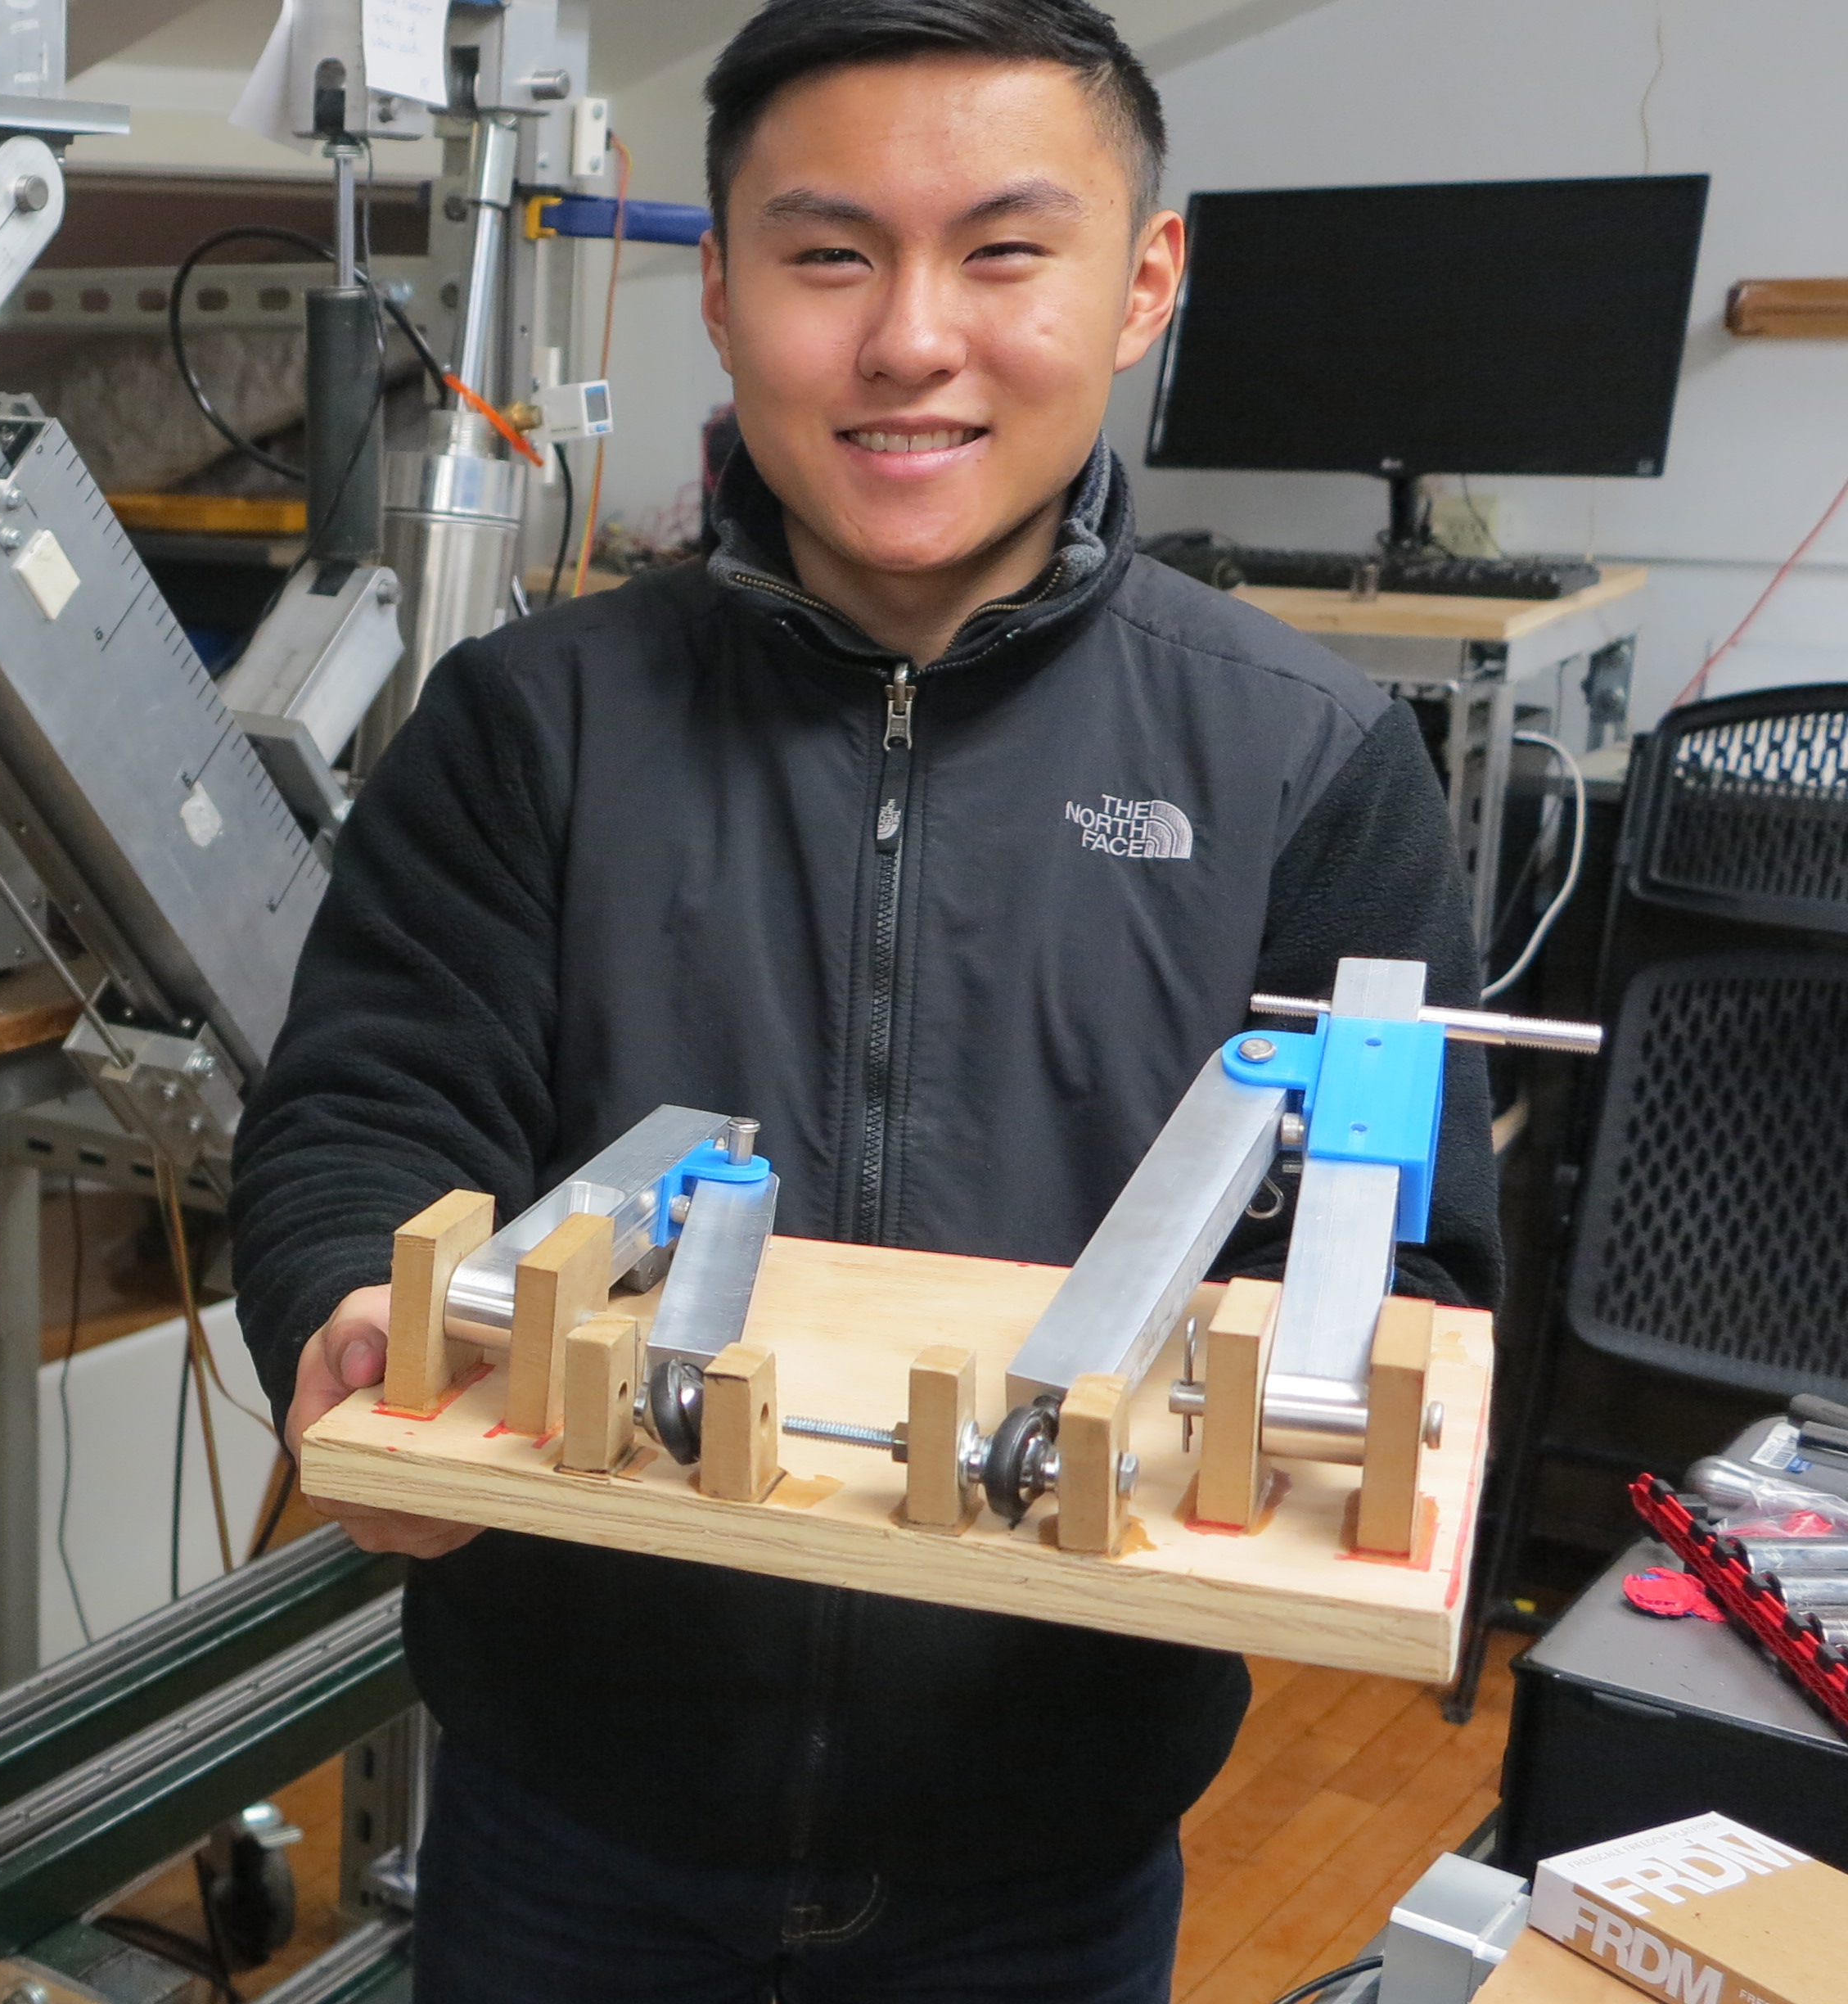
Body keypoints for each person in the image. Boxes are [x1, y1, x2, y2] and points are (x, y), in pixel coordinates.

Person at [228, 2, 1501, 1997]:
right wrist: (352, 1303)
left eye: (1004, 251)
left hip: (1046, 1856)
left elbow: (1404, 1270)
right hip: (573, 1827)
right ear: (720, 295)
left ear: (1141, 279)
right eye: (829, 255)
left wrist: (1333, 1399)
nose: (911, 340)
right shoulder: (524, 727)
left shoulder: (1311, 764)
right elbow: (367, 1108)